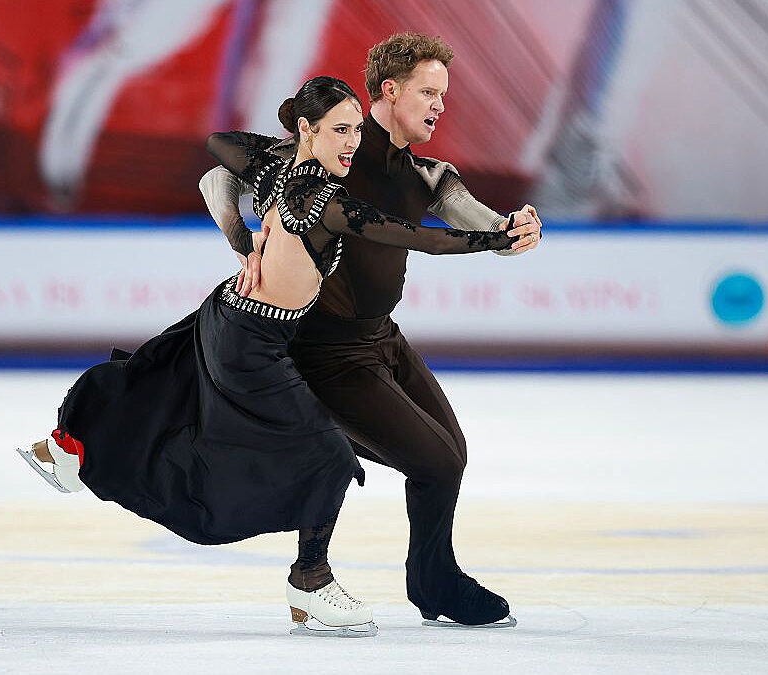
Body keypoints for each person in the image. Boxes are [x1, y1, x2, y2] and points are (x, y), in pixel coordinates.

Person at [18, 75, 518, 637]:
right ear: (307, 128)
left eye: (357, 129)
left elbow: (219, 145)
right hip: (253, 341)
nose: (353, 142)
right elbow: (420, 237)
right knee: (326, 458)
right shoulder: (326, 202)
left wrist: (240, 236)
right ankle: (310, 583)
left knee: (155, 385)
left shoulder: (275, 169)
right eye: (339, 130)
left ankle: (61, 449)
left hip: (228, 312)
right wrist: (497, 239)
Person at [200, 33, 542, 628]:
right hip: (325, 351)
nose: (440, 106)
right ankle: (357, 571)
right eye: (429, 93)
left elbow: (485, 226)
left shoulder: (429, 175)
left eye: (443, 95)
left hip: (381, 338)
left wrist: (514, 231)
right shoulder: (327, 153)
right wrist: (240, 239)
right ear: (391, 90)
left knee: (449, 456)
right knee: (433, 461)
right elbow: (216, 176)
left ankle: (429, 578)